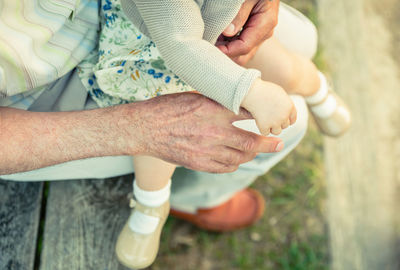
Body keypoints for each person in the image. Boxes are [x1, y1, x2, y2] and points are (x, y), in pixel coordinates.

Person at [0, 0, 332, 267]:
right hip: (139, 50)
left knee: (299, 46)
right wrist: (249, 90)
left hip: (205, 25)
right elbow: (179, 43)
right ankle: (157, 202)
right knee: (160, 111)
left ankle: (321, 92)